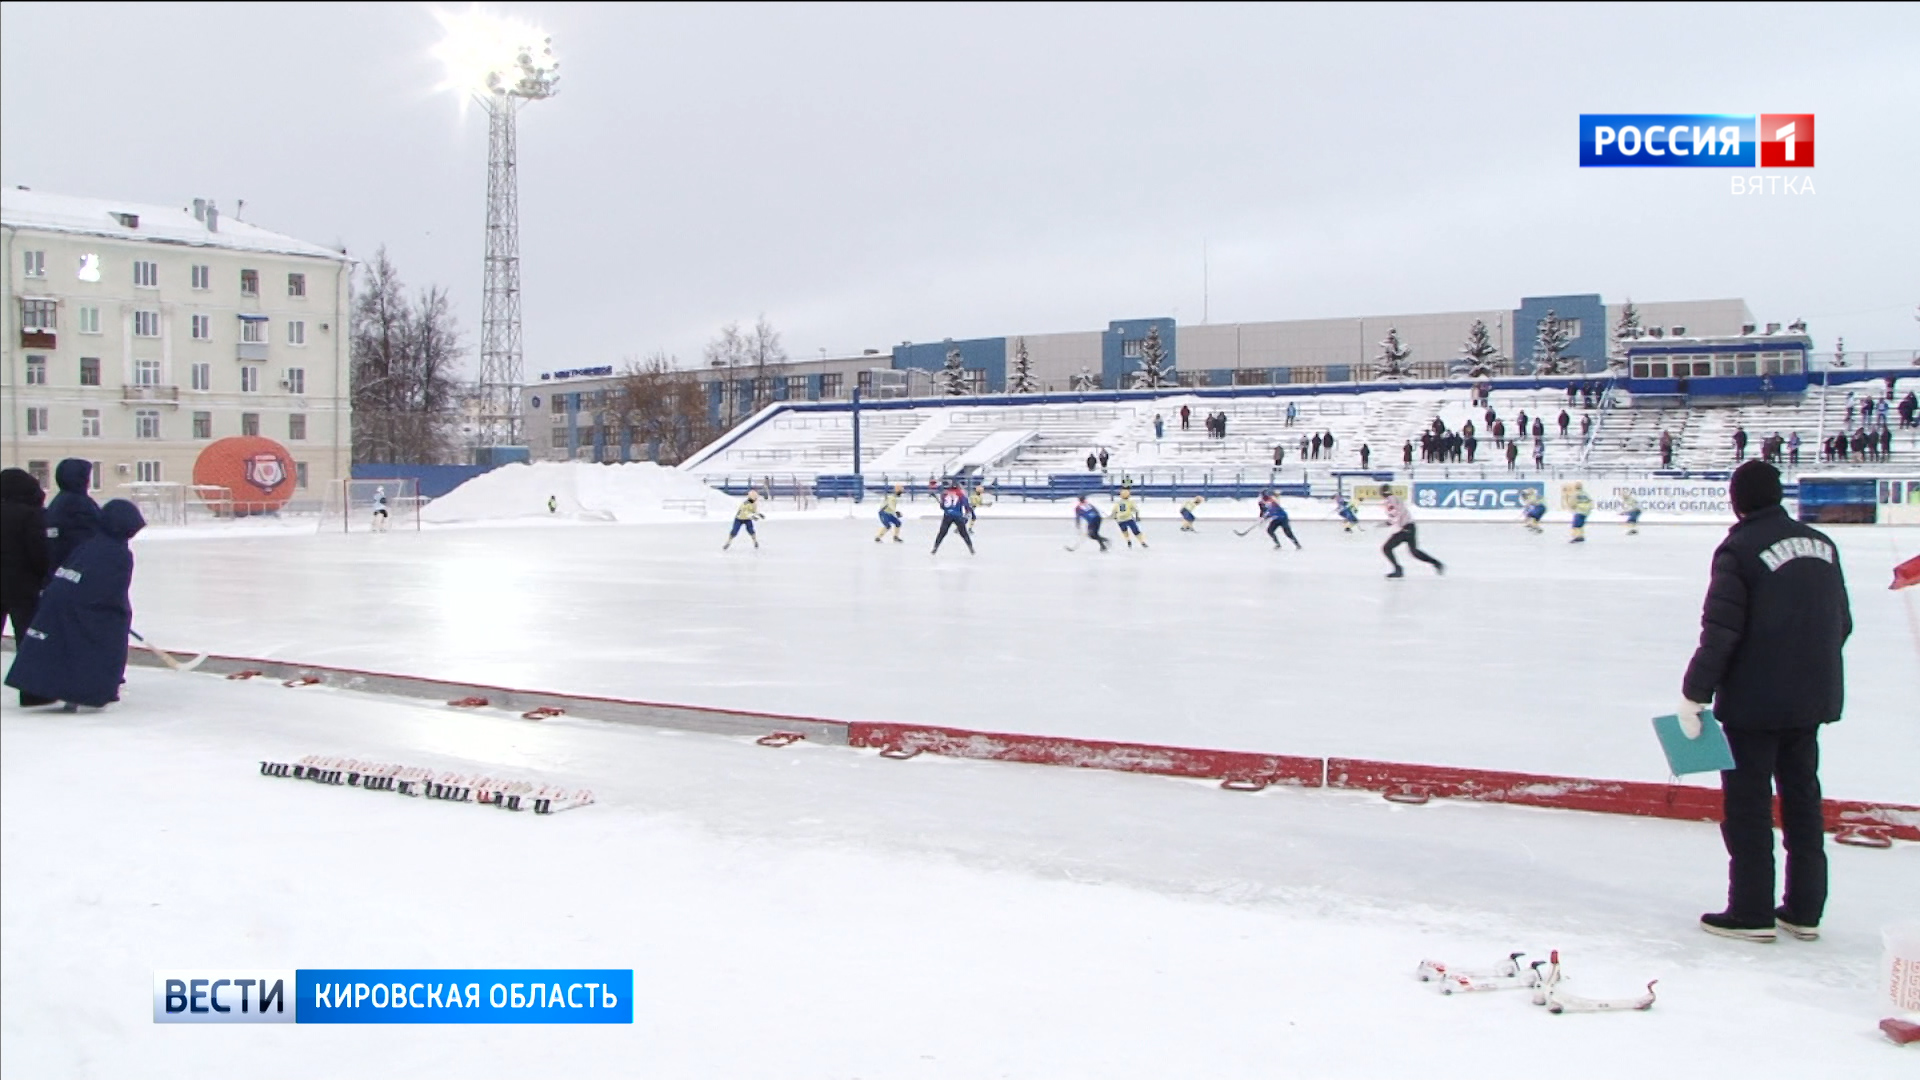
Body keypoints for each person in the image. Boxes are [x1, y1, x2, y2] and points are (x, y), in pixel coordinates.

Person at [1680, 460, 1851, 943]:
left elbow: (1721, 632)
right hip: (1810, 699)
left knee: (1748, 807)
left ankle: (1751, 910)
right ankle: (1803, 909)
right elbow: (1841, 622)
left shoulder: (1739, 548)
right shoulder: (1823, 545)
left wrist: (1695, 693)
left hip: (1754, 704)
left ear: (1738, 500)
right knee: (1802, 801)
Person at [5, 499, 146, 710]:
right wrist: (118, 613)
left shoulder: (90, 544)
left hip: (63, 602)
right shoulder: (117, 553)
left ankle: (72, 690)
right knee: (96, 646)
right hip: (83, 607)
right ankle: (89, 691)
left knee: (70, 646)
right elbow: (112, 589)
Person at [1, 469, 55, 706]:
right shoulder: (30, 515)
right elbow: (38, 552)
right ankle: (33, 692)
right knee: (28, 638)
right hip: (23, 586)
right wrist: (44, 575)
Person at [44, 458, 100, 575]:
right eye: (86, 477)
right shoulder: (79, 503)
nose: (88, 482)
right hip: (76, 568)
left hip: (60, 567)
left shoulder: (60, 500)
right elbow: (89, 534)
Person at [1378, 485, 1443, 578]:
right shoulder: (1396, 499)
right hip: (1410, 526)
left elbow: (1395, 514)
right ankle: (1436, 563)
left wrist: (1389, 523)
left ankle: (1398, 569)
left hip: (1404, 528)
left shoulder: (1389, 501)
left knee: (1386, 548)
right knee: (1414, 552)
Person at [931, 479, 975, 555]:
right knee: (964, 533)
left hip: (947, 515)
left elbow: (943, 506)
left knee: (942, 533)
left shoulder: (945, 494)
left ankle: (935, 547)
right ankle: (971, 548)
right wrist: (968, 511)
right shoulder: (960, 494)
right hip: (958, 516)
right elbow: (966, 505)